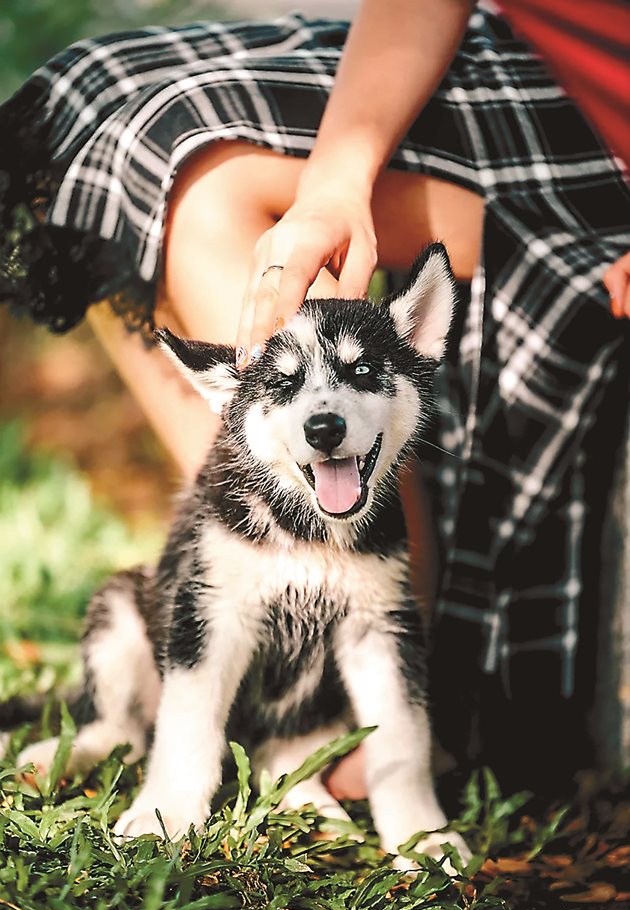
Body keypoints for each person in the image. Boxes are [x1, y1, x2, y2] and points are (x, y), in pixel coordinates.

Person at [0, 0, 628, 797]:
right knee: (101, 117)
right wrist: (335, 189)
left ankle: (358, 690)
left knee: (199, 189)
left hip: (611, 125)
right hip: (521, 50)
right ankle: (243, 574)